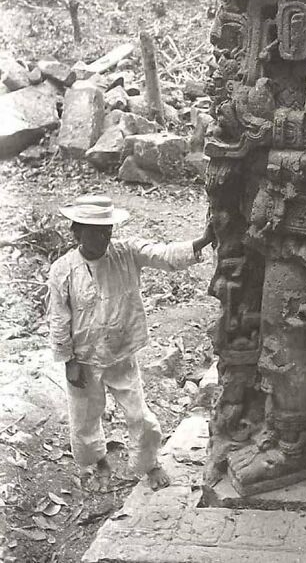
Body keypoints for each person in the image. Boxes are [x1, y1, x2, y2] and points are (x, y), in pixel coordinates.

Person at [47, 194, 214, 491]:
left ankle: (149, 464)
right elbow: (59, 318)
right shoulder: (63, 270)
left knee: (140, 416)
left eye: (107, 230)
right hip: (84, 359)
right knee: (85, 418)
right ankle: (98, 462)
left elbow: (163, 255)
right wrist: (69, 360)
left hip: (121, 354)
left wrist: (201, 241)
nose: (104, 236)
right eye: (96, 231)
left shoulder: (126, 253)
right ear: (76, 231)